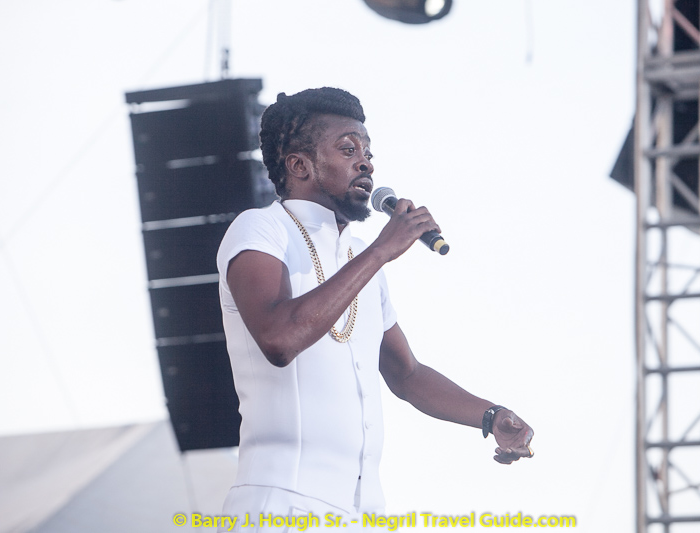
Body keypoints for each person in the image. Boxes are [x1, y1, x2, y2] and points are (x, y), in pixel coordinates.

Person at [216, 87, 533, 532]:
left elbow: (407, 374)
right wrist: (381, 251)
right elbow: (279, 338)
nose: (366, 163)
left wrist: (490, 415)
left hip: (362, 514)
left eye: (368, 152)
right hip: (279, 505)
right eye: (348, 149)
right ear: (299, 165)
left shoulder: (358, 255)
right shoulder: (262, 228)